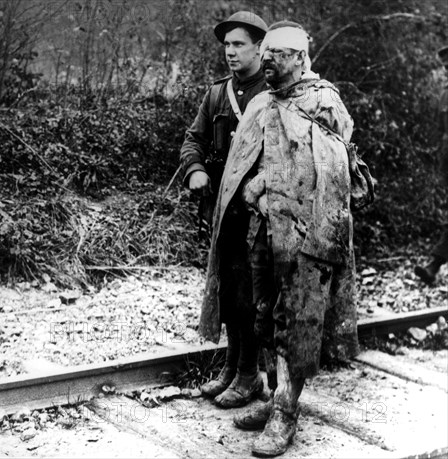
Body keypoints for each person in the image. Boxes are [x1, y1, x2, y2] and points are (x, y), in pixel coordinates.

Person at [202, 21, 361, 456]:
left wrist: (268, 185)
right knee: (264, 318)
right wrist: (252, 189)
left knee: (298, 324)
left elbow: (331, 170)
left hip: (307, 240)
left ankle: (286, 414)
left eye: (276, 55)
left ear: (297, 58)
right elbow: (247, 162)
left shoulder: (323, 100)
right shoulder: (263, 103)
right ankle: (273, 398)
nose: (266, 61)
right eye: (265, 54)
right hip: (264, 234)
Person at [180, 12, 271, 408]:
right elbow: (193, 139)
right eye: (227, 45)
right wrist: (195, 169)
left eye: (239, 45)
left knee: (253, 295)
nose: (230, 52)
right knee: (230, 291)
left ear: (259, 48)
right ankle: (233, 367)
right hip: (223, 212)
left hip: (258, 214)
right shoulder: (217, 94)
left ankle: (251, 374)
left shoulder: (272, 94)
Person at [414, 45, 448, 285]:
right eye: (446, 66)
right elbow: (440, 129)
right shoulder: (445, 94)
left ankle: (434, 265)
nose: (447, 70)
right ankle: (434, 265)